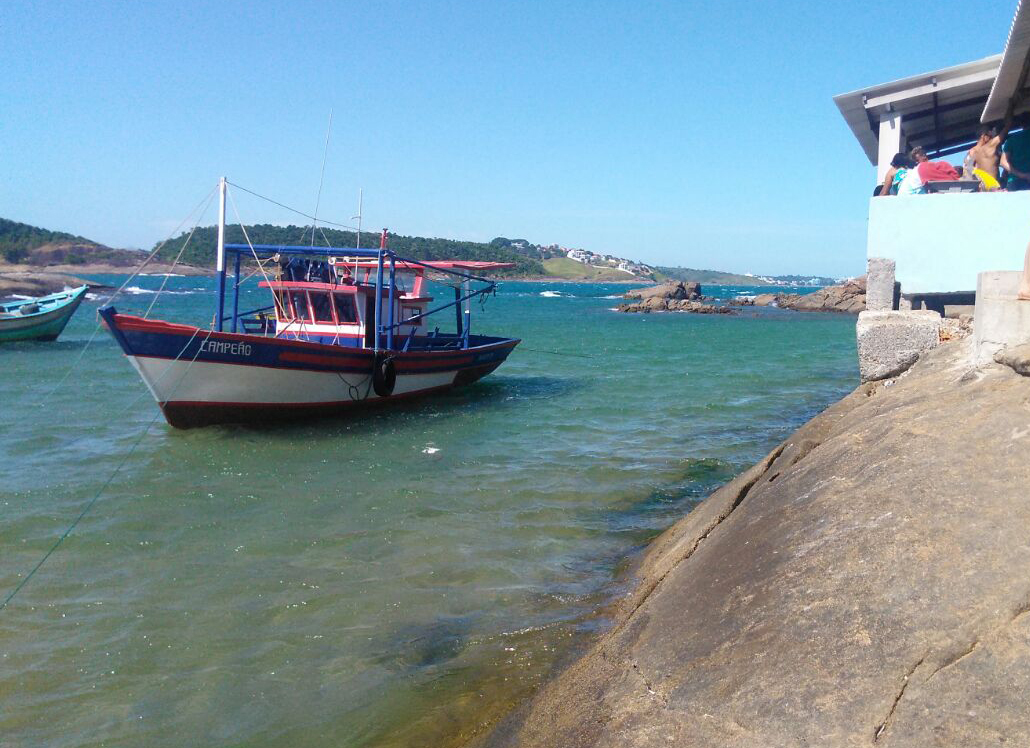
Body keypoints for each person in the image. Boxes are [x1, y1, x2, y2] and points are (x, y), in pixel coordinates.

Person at [966, 125, 1006, 190]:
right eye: (990, 135)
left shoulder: (988, 149)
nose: (991, 138)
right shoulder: (973, 151)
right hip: (986, 189)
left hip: (995, 186)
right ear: (983, 136)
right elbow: (968, 169)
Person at [1001, 115, 1030, 190]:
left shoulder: (1012, 139)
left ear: (1021, 124)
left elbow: (1003, 162)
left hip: (1015, 181)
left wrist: (1023, 175)